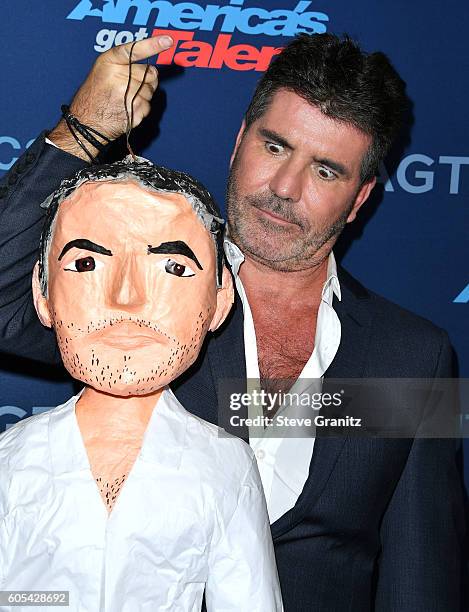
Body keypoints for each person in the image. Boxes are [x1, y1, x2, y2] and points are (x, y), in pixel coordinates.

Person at [0, 32, 465, 611]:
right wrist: (84, 130)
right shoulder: (147, 302)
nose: (284, 189)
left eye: (325, 172)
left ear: (359, 197)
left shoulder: (413, 359)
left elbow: (421, 577)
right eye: (274, 147)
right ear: (240, 141)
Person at [0, 158, 283, 611]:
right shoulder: (11, 461)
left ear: (220, 298)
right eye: (87, 263)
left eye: (172, 268)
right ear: (42, 292)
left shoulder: (224, 465)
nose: (127, 297)